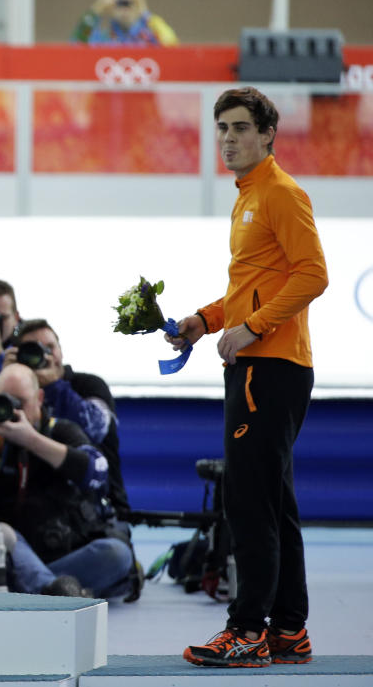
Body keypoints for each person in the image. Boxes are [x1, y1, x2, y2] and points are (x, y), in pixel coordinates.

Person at [171, 87, 328, 668]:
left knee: (250, 504)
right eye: (222, 129)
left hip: (270, 367)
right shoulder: (249, 197)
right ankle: (289, 630)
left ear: (268, 134)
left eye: (240, 128)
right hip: (267, 364)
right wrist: (203, 321)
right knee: (272, 500)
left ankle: (247, 631)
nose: (229, 139)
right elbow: (247, 290)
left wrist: (253, 329)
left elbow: (313, 275)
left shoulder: (282, 194)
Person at [0, 364, 133, 598]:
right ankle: (54, 591)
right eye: (5, 400)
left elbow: (97, 474)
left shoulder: (61, 430)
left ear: (40, 397)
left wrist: (32, 440)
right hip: (8, 552)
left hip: (61, 551)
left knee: (116, 554)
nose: (14, 410)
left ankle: (36, 588)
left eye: (21, 402)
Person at [3, 319, 129, 515]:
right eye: (34, 349)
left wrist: (55, 386)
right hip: (30, 510)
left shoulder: (89, 385)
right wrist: (10, 379)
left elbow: (96, 430)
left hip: (97, 507)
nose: (45, 354)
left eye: (50, 347)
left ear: (61, 350)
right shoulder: (12, 392)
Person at [71, 0, 177, 46]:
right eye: (120, 4)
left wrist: (145, 13)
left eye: (129, 3)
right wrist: (96, 9)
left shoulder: (149, 38)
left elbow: (171, 44)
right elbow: (77, 44)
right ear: (111, 9)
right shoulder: (104, 38)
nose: (125, 9)